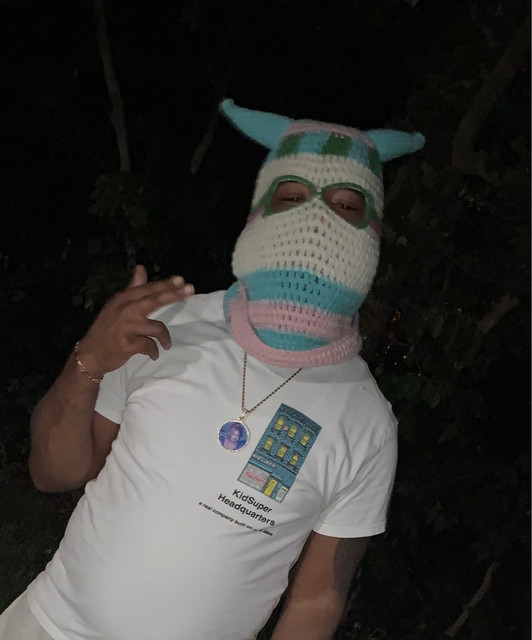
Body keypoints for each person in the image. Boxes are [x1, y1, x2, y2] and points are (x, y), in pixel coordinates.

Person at [0, 99, 424, 640]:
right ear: (260, 211)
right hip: (49, 627)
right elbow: (52, 474)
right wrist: (88, 362)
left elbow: (318, 597)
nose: (316, 218)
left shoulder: (366, 424)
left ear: (373, 235)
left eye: (346, 205)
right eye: (292, 196)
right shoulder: (167, 324)